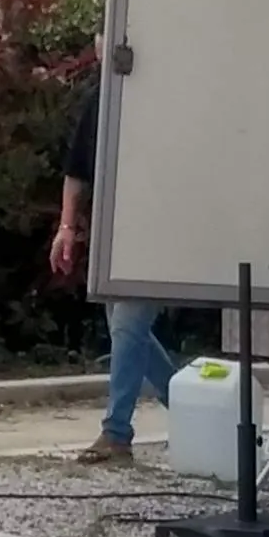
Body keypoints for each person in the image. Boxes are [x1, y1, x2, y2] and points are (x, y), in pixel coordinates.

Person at [51, 78, 169, 461]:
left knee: (128, 327)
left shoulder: (164, 96)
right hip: (112, 232)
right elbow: (76, 171)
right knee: (129, 333)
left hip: (156, 230)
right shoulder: (100, 97)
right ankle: (190, 404)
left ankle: (116, 433)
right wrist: (66, 228)